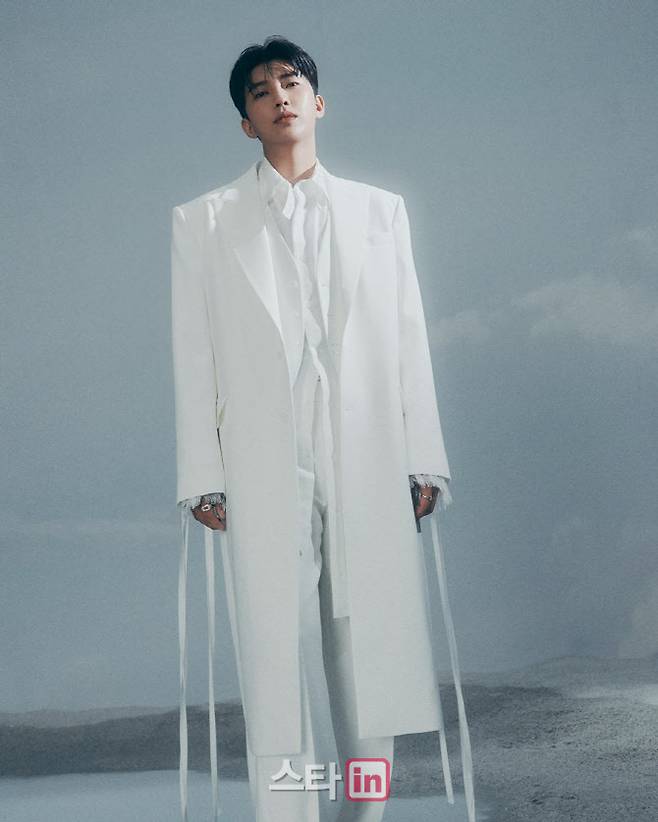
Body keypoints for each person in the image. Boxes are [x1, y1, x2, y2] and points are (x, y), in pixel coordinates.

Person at [171, 35, 474, 822]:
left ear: (318, 101)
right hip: (262, 454)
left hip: (364, 448)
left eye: (292, 81)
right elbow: (193, 352)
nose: (279, 94)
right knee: (278, 660)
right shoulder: (203, 222)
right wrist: (200, 473)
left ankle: (361, 816)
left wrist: (423, 459)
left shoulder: (380, 212)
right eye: (260, 90)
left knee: (372, 656)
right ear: (246, 122)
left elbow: (407, 336)